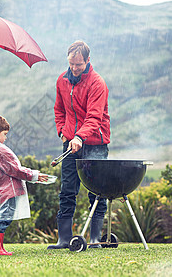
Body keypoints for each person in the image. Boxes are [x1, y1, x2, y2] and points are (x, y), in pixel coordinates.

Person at [48, 40, 111, 249]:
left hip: (95, 144)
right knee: (67, 190)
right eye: (71, 64)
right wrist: (62, 133)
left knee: (97, 192)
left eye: (79, 64)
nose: (74, 68)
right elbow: (59, 110)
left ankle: (95, 240)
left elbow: (94, 117)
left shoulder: (97, 83)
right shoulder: (62, 81)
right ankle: (63, 239)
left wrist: (80, 137)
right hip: (70, 144)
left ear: (88, 61)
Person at [0, 114, 48, 256]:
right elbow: (14, 169)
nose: (5, 138)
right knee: (4, 217)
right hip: (7, 189)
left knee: (4, 216)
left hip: (1, 189)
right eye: (4, 134)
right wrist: (34, 175)